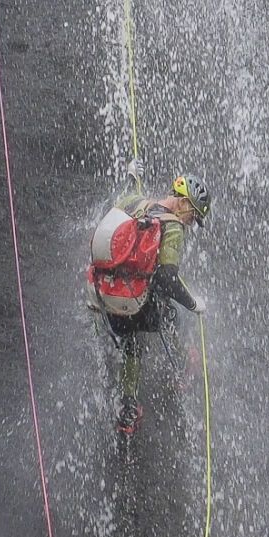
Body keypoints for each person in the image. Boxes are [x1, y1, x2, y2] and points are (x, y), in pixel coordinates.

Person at [86, 172, 214, 434]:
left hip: (102, 293)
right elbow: (167, 278)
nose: (190, 223)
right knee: (168, 315)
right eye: (193, 216)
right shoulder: (174, 227)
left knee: (129, 335)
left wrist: (133, 178)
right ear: (184, 203)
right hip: (132, 305)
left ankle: (129, 411)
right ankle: (181, 365)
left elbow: (116, 211)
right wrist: (192, 304)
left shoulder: (135, 201)